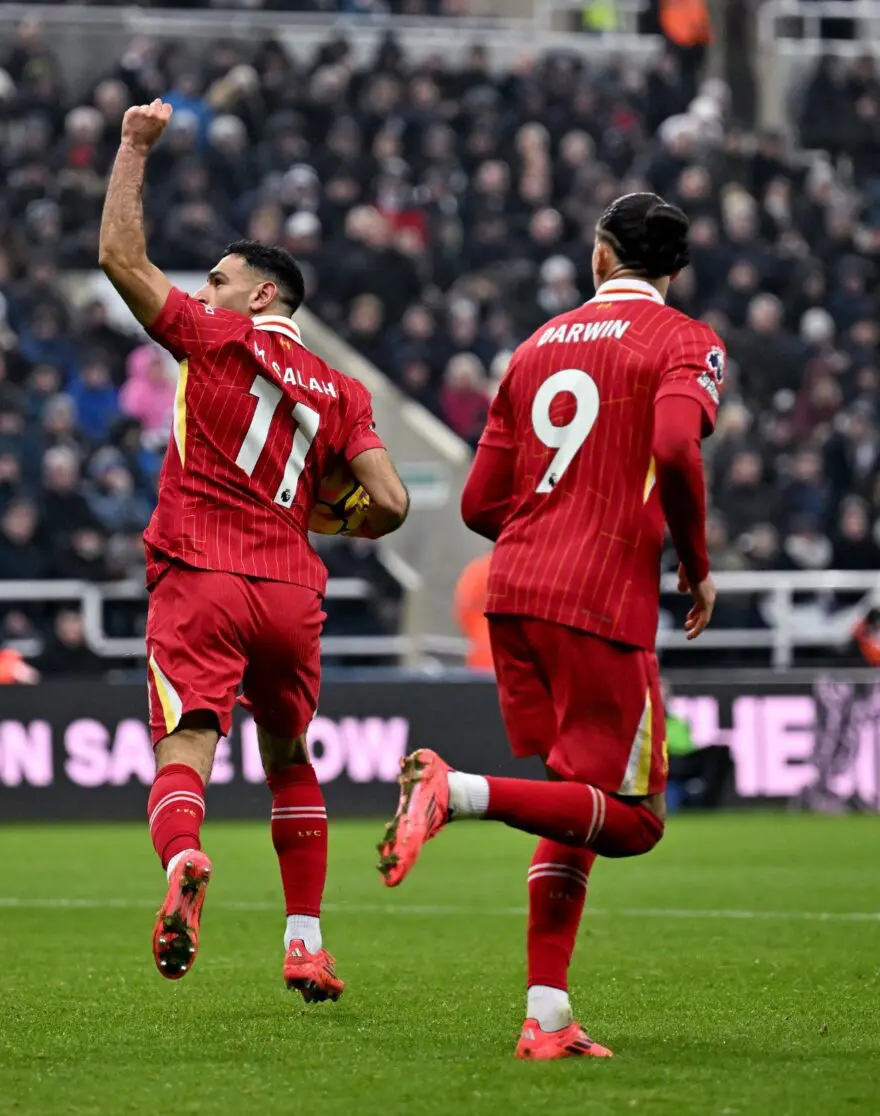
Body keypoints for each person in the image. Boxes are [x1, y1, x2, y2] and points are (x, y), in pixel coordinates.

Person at [377, 192, 722, 1059]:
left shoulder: (534, 347)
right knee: (635, 819)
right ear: (672, 271)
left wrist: (544, 535)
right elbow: (678, 448)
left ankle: (548, 1015)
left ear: (602, 256)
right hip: (600, 598)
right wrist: (696, 562)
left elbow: (478, 502)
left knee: (577, 806)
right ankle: (455, 793)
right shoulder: (687, 342)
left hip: (514, 592)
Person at [99, 98, 409, 1000]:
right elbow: (388, 502)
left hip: (201, 571)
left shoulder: (216, 339)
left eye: (220, 279)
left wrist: (132, 146)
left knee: (187, 744)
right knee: (289, 757)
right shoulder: (343, 388)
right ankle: (305, 943)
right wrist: (322, 519)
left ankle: (186, 860)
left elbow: (120, 257)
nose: (205, 292)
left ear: (262, 295)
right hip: (290, 594)